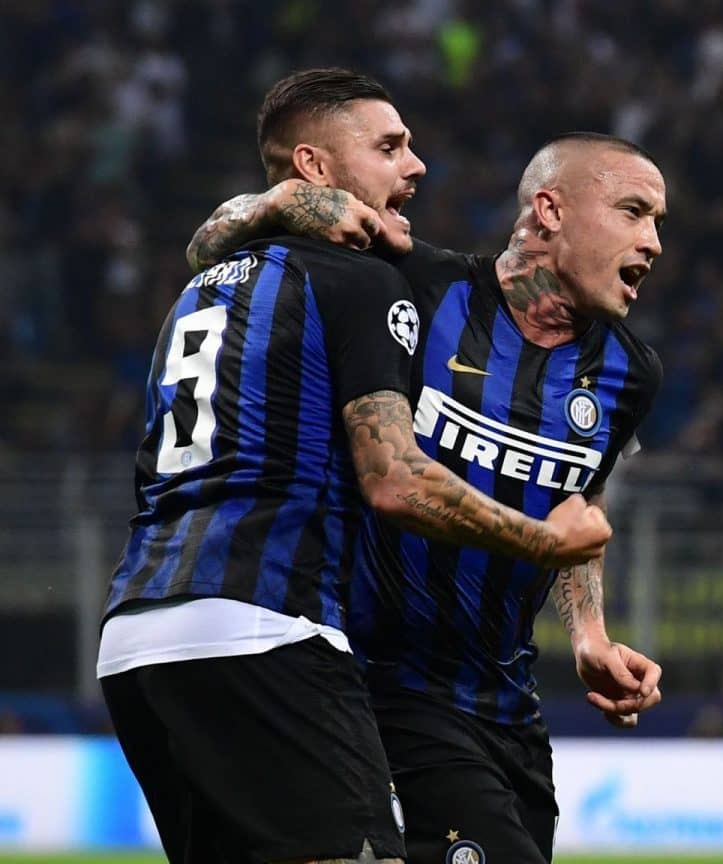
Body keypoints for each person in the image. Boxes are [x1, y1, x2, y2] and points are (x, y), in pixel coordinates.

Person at [98, 69, 612, 864]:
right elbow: (396, 480)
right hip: (267, 622)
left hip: (137, 637)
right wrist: (544, 540)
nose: (416, 165)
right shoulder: (362, 282)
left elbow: (217, 238)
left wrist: (269, 206)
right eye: (389, 147)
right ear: (315, 167)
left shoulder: (198, 290)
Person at [187, 130, 667, 862]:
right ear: (550, 211)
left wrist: (590, 636)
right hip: (380, 689)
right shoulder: (412, 286)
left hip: (509, 708)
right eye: (633, 212)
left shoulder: (631, 373)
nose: (653, 242)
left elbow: (577, 509)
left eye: (657, 221)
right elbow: (211, 249)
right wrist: (279, 202)